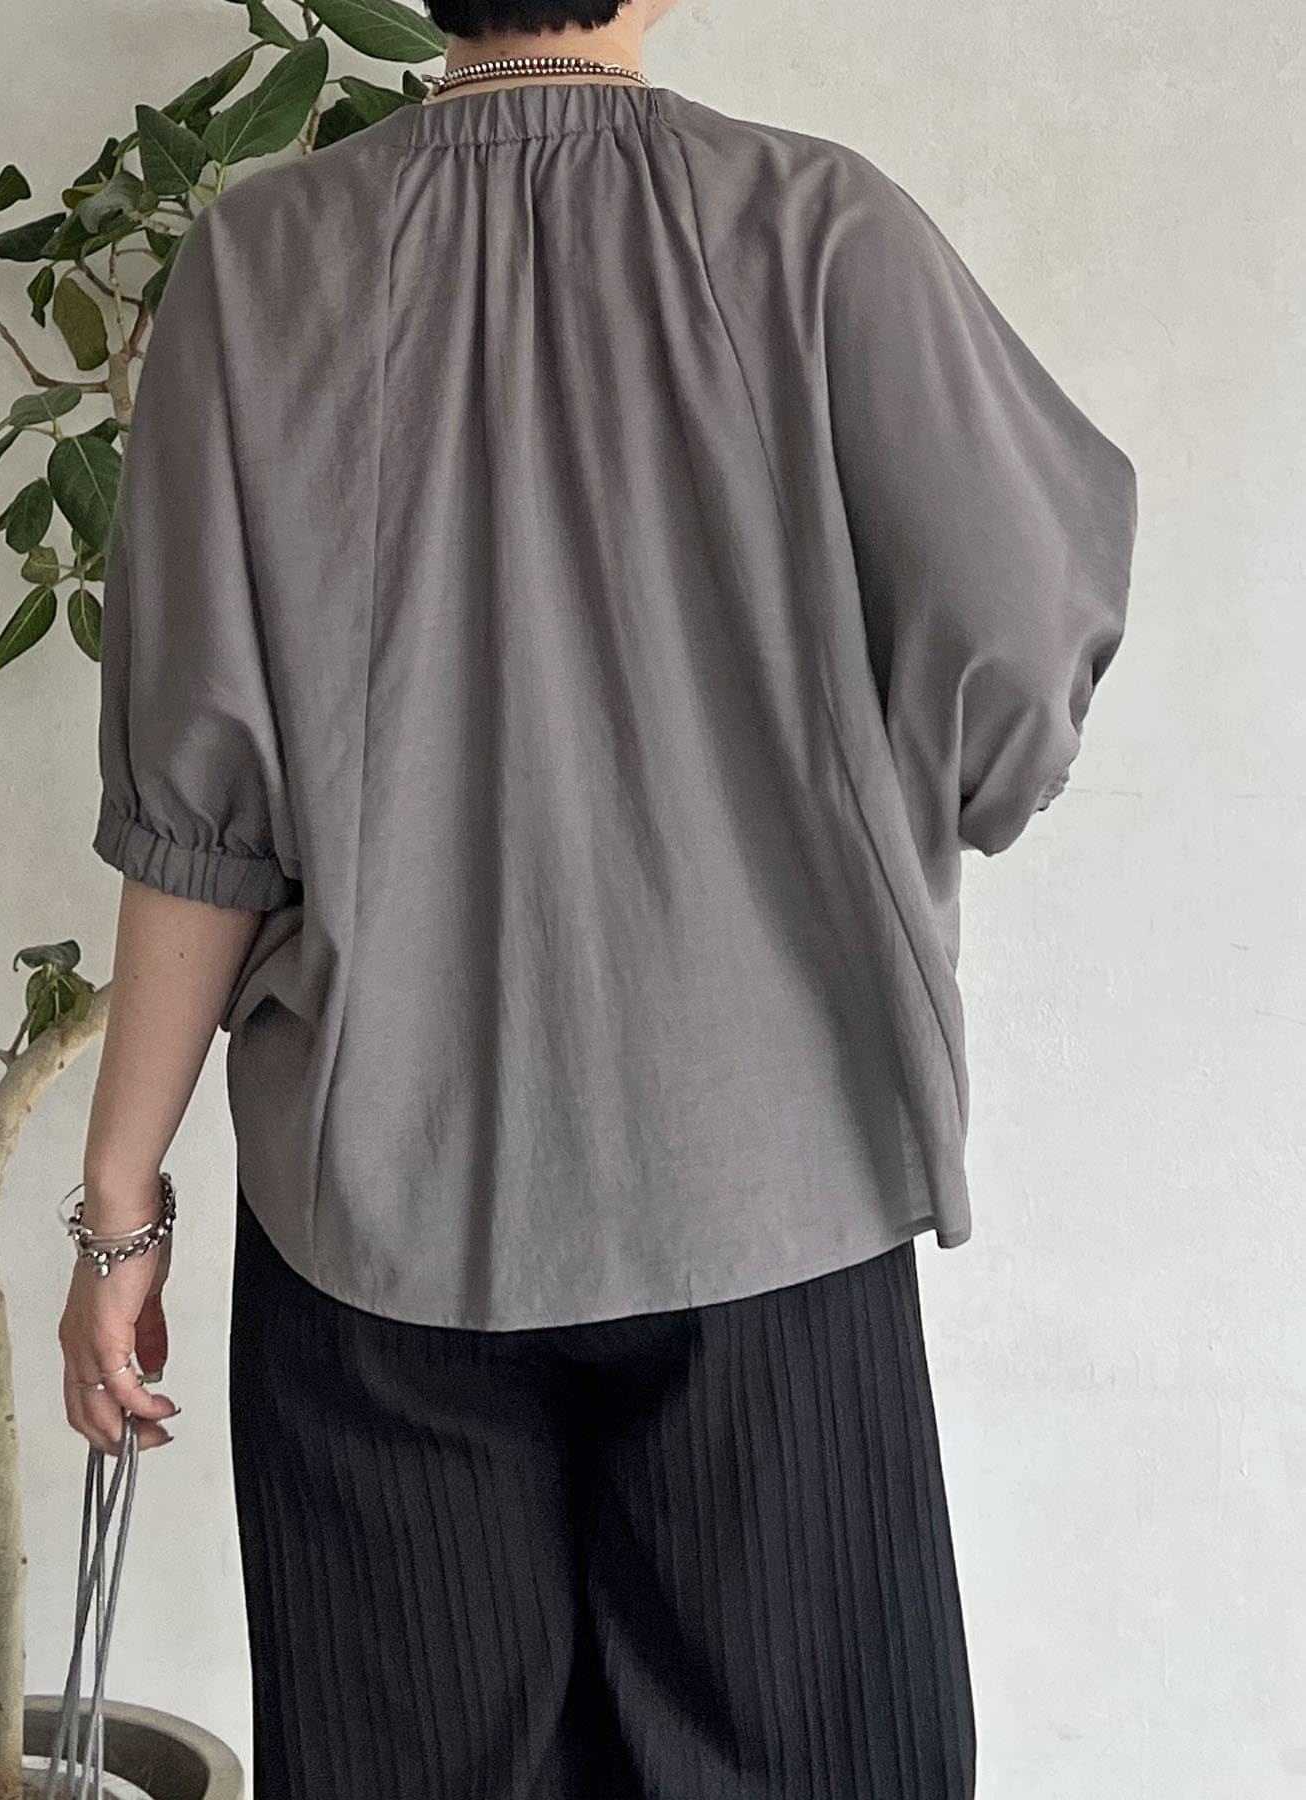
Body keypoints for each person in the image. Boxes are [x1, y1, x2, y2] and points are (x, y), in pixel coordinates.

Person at [60, 0, 1139, 1794]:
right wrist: (854, 831)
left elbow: (200, 808)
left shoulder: (255, 268)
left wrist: (119, 1209)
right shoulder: (819, 229)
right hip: (772, 1178)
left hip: (380, 1204)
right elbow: (1022, 660)